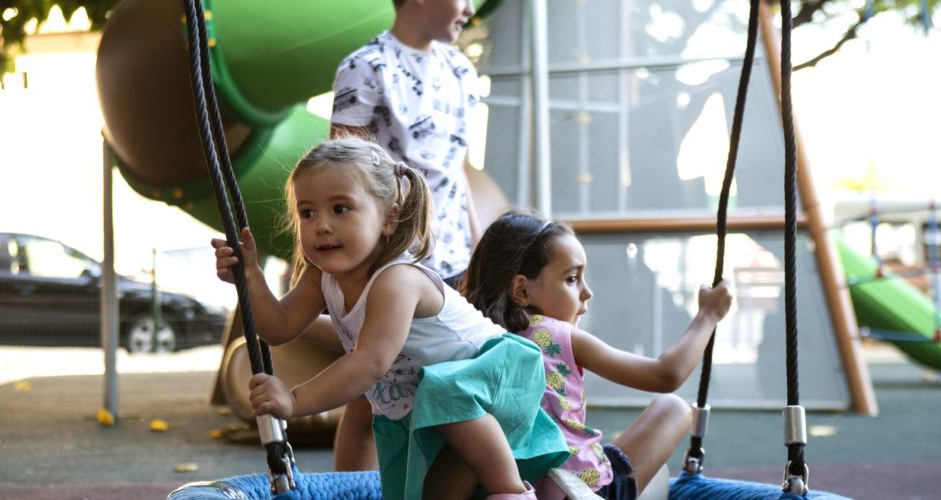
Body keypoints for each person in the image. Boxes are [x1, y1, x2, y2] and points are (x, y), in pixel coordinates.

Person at [212, 138, 568, 499]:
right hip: (432, 408)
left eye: (340, 208)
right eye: (307, 212)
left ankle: (508, 489)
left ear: (389, 218)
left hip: (491, 380)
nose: (321, 225)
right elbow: (279, 327)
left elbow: (368, 363)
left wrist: (295, 401)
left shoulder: (396, 281)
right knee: (427, 493)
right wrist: (252, 279)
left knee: (447, 392)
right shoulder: (323, 276)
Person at [460, 211, 734, 499]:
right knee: (673, 409)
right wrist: (708, 315)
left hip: (525, 491)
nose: (587, 292)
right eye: (571, 279)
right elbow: (666, 374)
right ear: (522, 290)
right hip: (582, 491)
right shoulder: (554, 334)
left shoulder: (480, 338)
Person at [329, 0, 485, 472]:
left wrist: (480, 250)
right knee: (372, 393)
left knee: (453, 390)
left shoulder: (460, 68)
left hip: (454, 260)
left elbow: (456, 173)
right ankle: (354, 489)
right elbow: (341, 175)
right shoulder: (366, 67)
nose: (471, 7)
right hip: (393, 264)